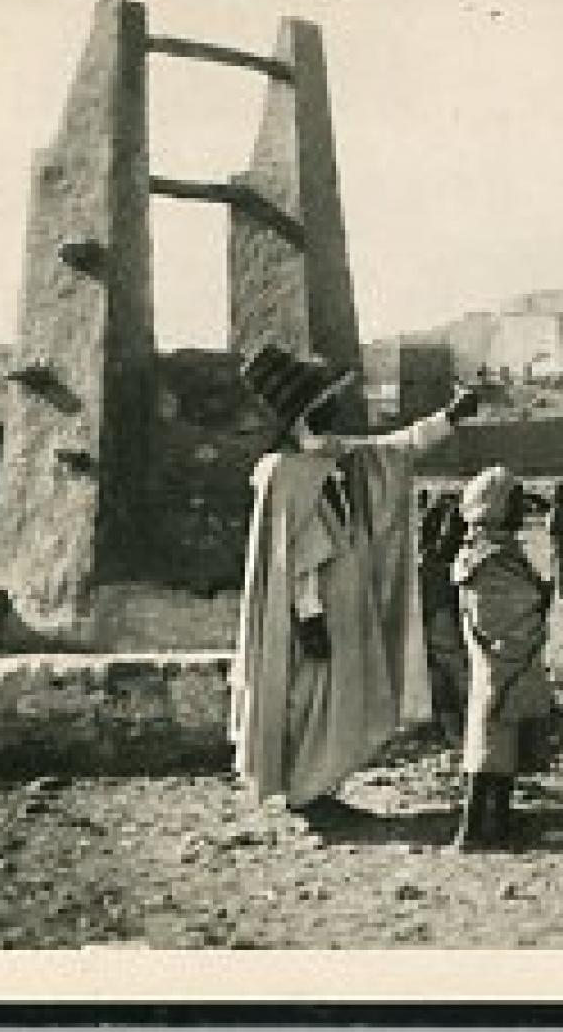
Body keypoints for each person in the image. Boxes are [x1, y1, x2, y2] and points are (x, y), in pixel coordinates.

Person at [229, 345, 478, 831]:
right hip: (312, 610)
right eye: (328, 400)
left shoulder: (334, 457)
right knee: (311, 697)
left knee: (337, 698)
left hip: (344, 603)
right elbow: (293, 557)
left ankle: (320, 787)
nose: (337, 407)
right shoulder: (285, 475)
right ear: (307, 412)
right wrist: (308, 615)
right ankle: (306, 792)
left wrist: (450, 418)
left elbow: (398, 448)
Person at [450, 465, 556, 849]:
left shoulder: (495, 551)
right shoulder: (488, 559)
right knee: (490, 741)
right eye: (513, 502)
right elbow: (499, 609)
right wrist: (539, 599)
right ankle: (475, 829)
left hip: (508, 658)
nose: (520, 510)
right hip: (501, 658)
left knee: (502, 744)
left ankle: (498, 824)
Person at [417, 492, 471, 745]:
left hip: (437, 624)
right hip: (446, 625)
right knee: (455, 674)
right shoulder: (462, 561)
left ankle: (453, 729)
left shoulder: (425, 563)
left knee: (441, 676)